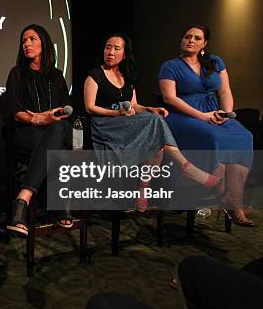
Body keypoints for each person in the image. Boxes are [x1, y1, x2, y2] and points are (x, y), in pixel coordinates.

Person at [84, 33, 223, 211]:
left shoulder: (126, 77)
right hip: (105, 126)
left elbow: (134, 105)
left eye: (116, 48)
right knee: (154, 123)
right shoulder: (94, 75)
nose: (110, 52)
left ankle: (143, 186)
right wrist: (115, 112)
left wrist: (150, 109)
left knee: (157, 142)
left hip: (127, 123)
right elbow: (90, 107)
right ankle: (185, 167)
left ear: (124, 54)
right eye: (108, 47)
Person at [159, 24, 254, 226]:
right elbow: (170, 98)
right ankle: (224, 196)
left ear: (204, 43)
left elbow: (225, 92)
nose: (191, 41)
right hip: (183, 116)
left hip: (215, 113)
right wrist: (202, 116)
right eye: (187, 37)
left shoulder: (215, 61)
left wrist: (226, 114)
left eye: (196, 38)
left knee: (244, 136)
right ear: (181, 40)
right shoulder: (170, 65)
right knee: (215, 137)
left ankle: (233, 198)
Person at [5, 24, 72, 236]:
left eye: (32, 39)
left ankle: (22, 198)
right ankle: (61, 202)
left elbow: (66, 110)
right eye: (24, 41)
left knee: (60, 128)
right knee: (57, 141)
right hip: (26, 132)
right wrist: (42, 119)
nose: (26, 44)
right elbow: (16, 112)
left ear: (43, 43)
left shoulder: (57, 76)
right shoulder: (17, 74)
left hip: (54, 132)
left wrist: (57, 116)